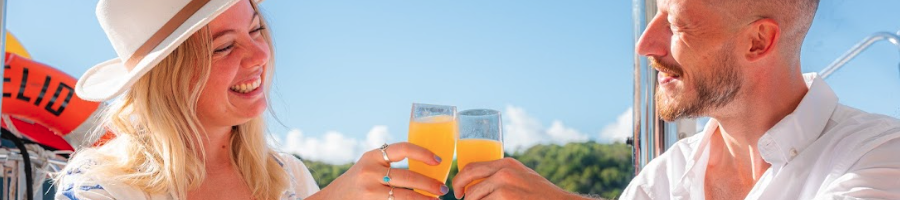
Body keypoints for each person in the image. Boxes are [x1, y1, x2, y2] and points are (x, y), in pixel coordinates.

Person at [452, 0, 900, 199]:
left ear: (758, 41)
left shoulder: (879, 155)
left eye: (678, 24)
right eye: (655, 14)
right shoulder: (665, 177)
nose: (646, 44)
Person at [56, 0, 448, 199]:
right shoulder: (97, 186)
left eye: (257, 29)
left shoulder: (288, 177)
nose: (260, 55)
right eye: (225, 47)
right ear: (167, 81)